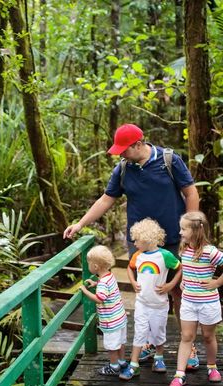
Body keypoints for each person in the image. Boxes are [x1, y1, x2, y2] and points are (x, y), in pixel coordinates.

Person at [63, 123, 200, 367]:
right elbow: (107, 199)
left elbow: (190, 193)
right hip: (141, 244)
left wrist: (191, 231)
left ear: (139, 144)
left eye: (124, 149)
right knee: (145, 292)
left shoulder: (169, 160)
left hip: (173, 240)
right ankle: (148, 343)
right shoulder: (123, 169)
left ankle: (187, 347)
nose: (120, 154)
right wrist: (80, 223)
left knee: (179, 293)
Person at [118, 218, 181, 380]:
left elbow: (180, 268)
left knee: (159, 332)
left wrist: (170, 285)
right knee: (139, 333)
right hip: (142, 303)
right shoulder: (137, 256)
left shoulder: (164, 255)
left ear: (146, 239)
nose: (135, 243)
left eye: (137, 240)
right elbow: (129, 268)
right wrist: (132, 282)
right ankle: (134, 365)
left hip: (159, 304)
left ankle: (159, 358)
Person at [169, 211, 223, 386]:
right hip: (189, 302)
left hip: (208, 302)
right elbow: (186, 267)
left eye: (183, 229)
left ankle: (211, 366)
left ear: (196, 231)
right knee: (186, 337)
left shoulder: (210, 251)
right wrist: (185, 280)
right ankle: (179, 374)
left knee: (208, 337)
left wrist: (216, 282)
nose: (180, 232)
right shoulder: (184, 248)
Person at [81, 245, 128, 376]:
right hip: (120, 317)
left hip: (110, 320)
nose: (88, 265)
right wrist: (96, 284)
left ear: (95, 267)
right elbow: (107, 290)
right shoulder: (109, 276)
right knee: (121, 342)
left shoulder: (102, 283)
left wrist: (85, 291)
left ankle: (114, 366)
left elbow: (99, 299)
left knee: (112, 346)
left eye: (89, 263)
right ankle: (122, 361)